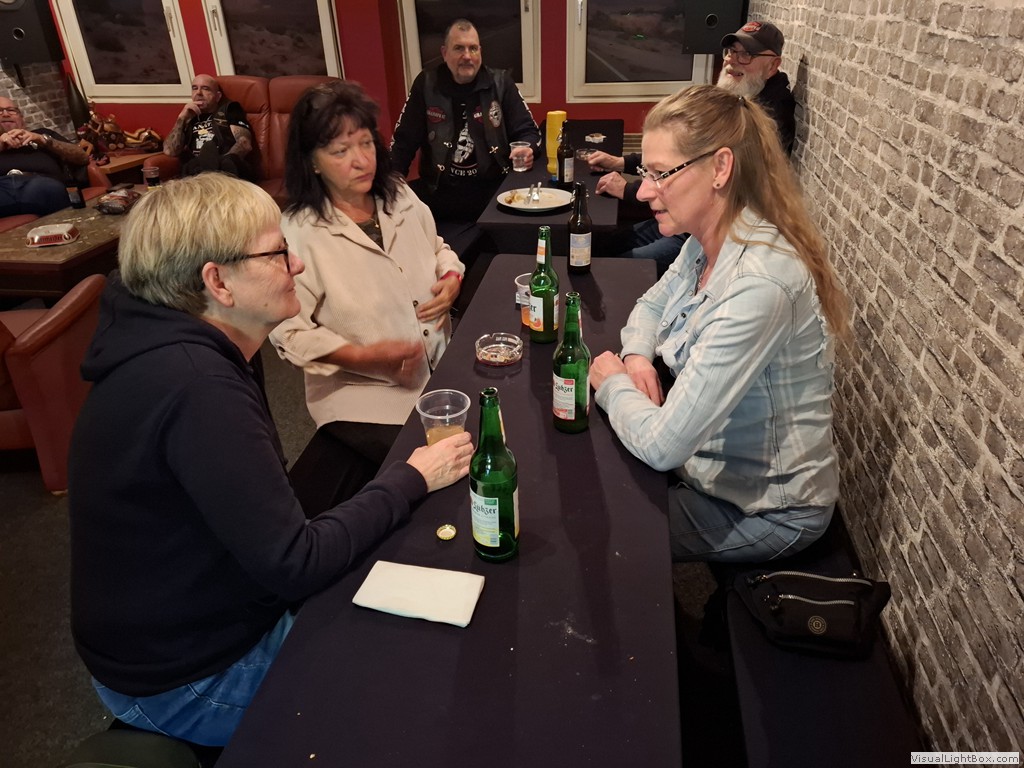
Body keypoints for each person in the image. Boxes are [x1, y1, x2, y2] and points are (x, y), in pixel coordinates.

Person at [68, 172, 473, 748]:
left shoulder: (193, 344)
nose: (297, 265)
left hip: (194, 628)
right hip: (188, 678)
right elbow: (295, 562)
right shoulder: (196, 385)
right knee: (423, 695)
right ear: (218, 282)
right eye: (278, 253)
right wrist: (413, 476)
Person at [589, 85, 849, 563]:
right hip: (708, 467)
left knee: (600, 530)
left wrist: (611, 383)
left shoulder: (758, 285)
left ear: (721, 168)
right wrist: (637, 357)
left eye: (660, 174)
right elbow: (650, 304)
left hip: (767, 510)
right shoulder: (706, 238)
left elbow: (663, 446)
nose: (643, 191)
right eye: (645, 173)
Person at [269, 81, 465, 510]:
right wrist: (363, 357)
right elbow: (287, 334)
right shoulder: (298, 233)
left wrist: (451, 277)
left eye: (365, 143)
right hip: (364, 401)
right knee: (444, 483)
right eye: (340, 151)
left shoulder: (399, 194)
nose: (361, 160)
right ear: (312, 161)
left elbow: (438, 248)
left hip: (438, 373)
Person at [587, 20, 796, 271]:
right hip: (685, 219)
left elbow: (700, 183)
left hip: (700, 234)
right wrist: (622, 162)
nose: (732, 60)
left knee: (613, 270)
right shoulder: (740, 96)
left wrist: (628, 191)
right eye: (731, 52)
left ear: (773, 65)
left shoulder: (767, 118)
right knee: (599, 244)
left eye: (746, 54)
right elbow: (680, 151)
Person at [390, 18, 541, 222]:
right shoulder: (426, 84)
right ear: (445, 53)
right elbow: (403, 142)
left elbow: (529, 132)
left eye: (473, 48)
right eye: (459, 48)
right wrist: (390, 185)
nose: (467, 56)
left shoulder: (501, 82)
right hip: (439, 192)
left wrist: (528, 148)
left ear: (480, 52)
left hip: (494, 192)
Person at [0, 95, 90, 217]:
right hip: (3, 190)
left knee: (46, 187)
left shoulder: (42, 135)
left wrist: (43, 140)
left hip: (42, 187)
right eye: (0, 111)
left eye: (11, 110)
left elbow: (82, 157)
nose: (6, 114)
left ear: (22, 118)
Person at [163, 74, 255, 180]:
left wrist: (220, 162)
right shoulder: (190, 118)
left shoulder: (229, 110)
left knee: (224, 160)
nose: (198, 93)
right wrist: (181, 118)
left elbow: (244, 144)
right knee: (191, 166)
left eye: (205, 89)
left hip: (227, 169)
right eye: (194, 88)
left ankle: (211, 168)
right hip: (198, 171)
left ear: (218, 96)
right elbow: (170, 151)